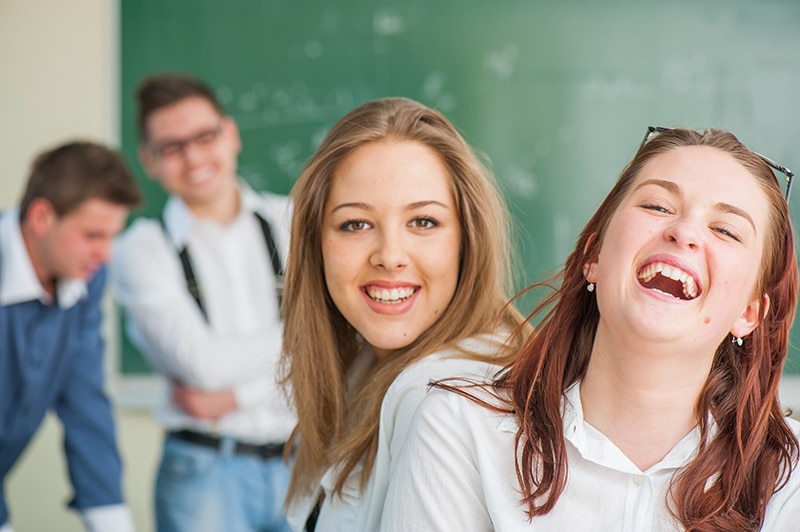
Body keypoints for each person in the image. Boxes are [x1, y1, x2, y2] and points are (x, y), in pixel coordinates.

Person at [382, 126, 800, 531]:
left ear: (749, 312)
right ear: (594, 256)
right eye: (657, 206)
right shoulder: (460, 429)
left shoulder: (790, 481)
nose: (684, 231)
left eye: (725, 230)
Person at [279, 97, 527, 531]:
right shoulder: (363, 369)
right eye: (355, 224)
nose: (390, 256)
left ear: (467, 238)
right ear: (315, 244)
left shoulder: (434, 397)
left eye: (423, 222)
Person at [111, 74, 296, 532]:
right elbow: (203, 367)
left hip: (308, 462)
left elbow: (340, 337)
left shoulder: (294, 220)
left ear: (230, 135)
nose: (193, 157)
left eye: (204, 137)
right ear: (149, 161)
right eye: (172, 147)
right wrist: (300, 354)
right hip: (204, 473)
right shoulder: (141, 249)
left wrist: (236, 395)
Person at [0, 141, 141, 532]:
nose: (106, 254)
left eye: (113, 236)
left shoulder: (83, 278)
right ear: (42, 217)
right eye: (93, 235)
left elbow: (85, 403)